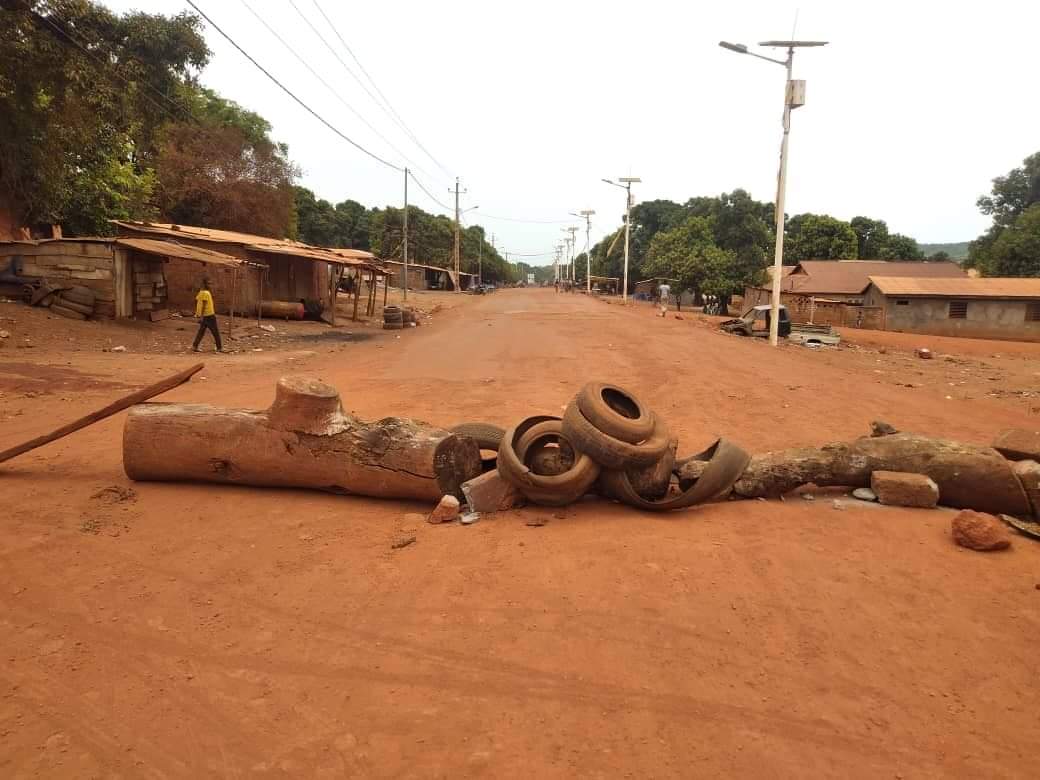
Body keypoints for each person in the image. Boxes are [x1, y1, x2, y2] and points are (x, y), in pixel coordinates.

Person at [192, 277, 224, 353]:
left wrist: (198, 313)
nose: (210, 285)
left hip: (205, 316)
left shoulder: (201, 292)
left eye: (211, 283)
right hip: (209, 315)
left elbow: (196, 301)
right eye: (209, 283)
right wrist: (201, 316)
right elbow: (203, 305)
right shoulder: (206, 293)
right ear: (205, 284)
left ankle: (195, 346)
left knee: (201, 332)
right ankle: (219, 347)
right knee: (215, 332)